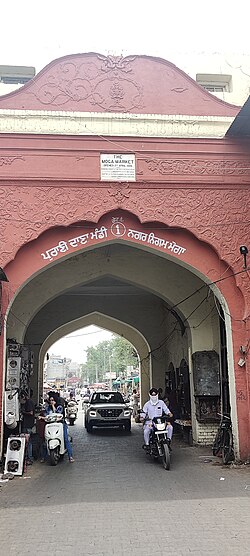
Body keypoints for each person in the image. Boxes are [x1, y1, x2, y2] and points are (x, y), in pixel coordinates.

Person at [141, 387, 173, 452]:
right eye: (152, 395)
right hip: (150, 423)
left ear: (157, 394)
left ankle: (168, 440)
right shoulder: (147, 404)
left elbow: (166, 410)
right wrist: (142, 417)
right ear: (149, 395)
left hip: (160, 422)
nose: (153, 396)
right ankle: (147, 445)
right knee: (146, 431)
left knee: (170, 427)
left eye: (155, 394)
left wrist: (169, 413)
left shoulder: (161, 403)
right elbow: (143, 413)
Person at [45, 395, 74, 462]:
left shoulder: (59, 407)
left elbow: (57, 413)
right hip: (51, 425)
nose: (52, 402)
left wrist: (53, 406)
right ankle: (44, 457)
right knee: (45, 440)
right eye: (51, 400)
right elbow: (47, 415)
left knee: (66, 439)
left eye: (53, 400)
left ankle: (70, 456)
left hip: (61, 424)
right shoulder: (48, 408)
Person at [21, 389, 35, 465]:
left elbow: (31, 412)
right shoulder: (30, 402)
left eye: (22, 396)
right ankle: (29, 457)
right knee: (29, 442)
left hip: (28, 425)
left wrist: (23, 412)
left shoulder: (29, 402)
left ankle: (29, 458)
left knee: (28, 442)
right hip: (29, 425)